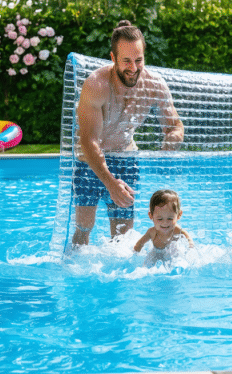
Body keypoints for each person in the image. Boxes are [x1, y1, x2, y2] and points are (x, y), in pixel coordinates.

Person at [72, 20, 184, 247]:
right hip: (88, 160)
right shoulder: (96, 85)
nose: (133, 68)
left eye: (139, 60)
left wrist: (172, 139)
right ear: (113, 58)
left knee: (123, 237)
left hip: (125, 157)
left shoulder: (154, 85)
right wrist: (111, 183)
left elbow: (175, 126)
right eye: (126, 61)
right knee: (84, 228)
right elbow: (89, 141)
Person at [134, 189, 194, 258]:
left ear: (178, 215)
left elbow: (189, 241)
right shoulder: (152, 232)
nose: (165, 223)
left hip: (172, 257)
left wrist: (190, 248)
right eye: (160, 219)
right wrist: (134, 254)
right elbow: (139, 244)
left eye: (170, 218)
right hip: (155, 256)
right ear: (151, 216)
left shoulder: (177, 230)